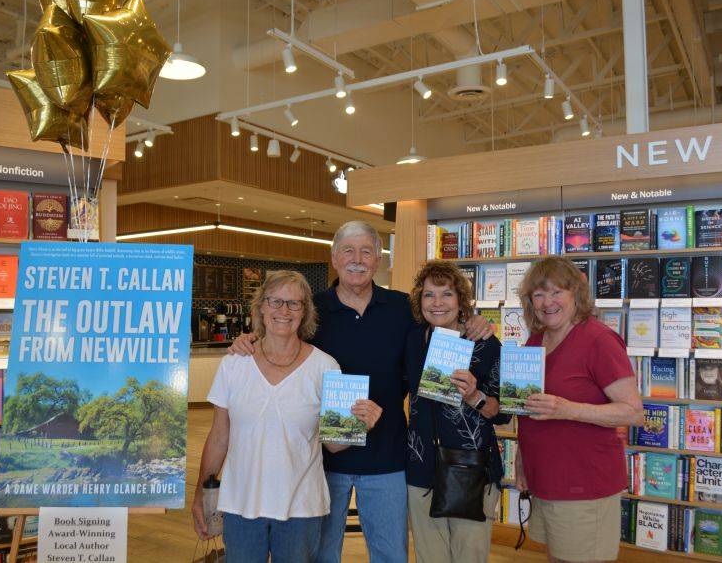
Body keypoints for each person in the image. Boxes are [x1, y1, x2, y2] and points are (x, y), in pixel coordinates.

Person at [229, 221, 494, 563]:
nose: (357, 259)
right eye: (349, 251)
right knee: (322, 554)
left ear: (378, 260)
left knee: (389, 554)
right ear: (335, 258)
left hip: (389, 457)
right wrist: (249, 339)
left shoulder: (402, 308)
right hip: (323, 459)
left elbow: (440, 318)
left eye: (366, 251)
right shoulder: (313, 310)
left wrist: (474, 321)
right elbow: (279, 338)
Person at [192, 270, 383, 563]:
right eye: (276, 301)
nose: (284, 310)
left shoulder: (325, 367)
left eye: (294, 304)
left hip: (300, 508)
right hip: (240, 503)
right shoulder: (234, 364)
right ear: (261, 307)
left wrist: (360, 425)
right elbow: (219, 436)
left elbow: (333, 445)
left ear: (304, 311)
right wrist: (200, 495)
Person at [515, 256, 643, 563]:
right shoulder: (535, 342)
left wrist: (567, 409)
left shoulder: (598, 339)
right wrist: (522, 457)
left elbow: (632, 412)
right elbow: (527, 408)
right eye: (539, 294)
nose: (548, 302)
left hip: (585, 485)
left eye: (557, 292)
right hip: (546, 479)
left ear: (576, 294)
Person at [404, 260, 504, 563]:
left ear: (460, 300)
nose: (437, 303)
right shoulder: (412, 339)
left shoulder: (484, 343)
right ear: (419, 300)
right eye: (428, 295)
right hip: (421, 468)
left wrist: (474, 395)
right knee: (429, 557)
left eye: (446, 294)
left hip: (471, 470)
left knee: (469, 557)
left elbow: (501, 413)